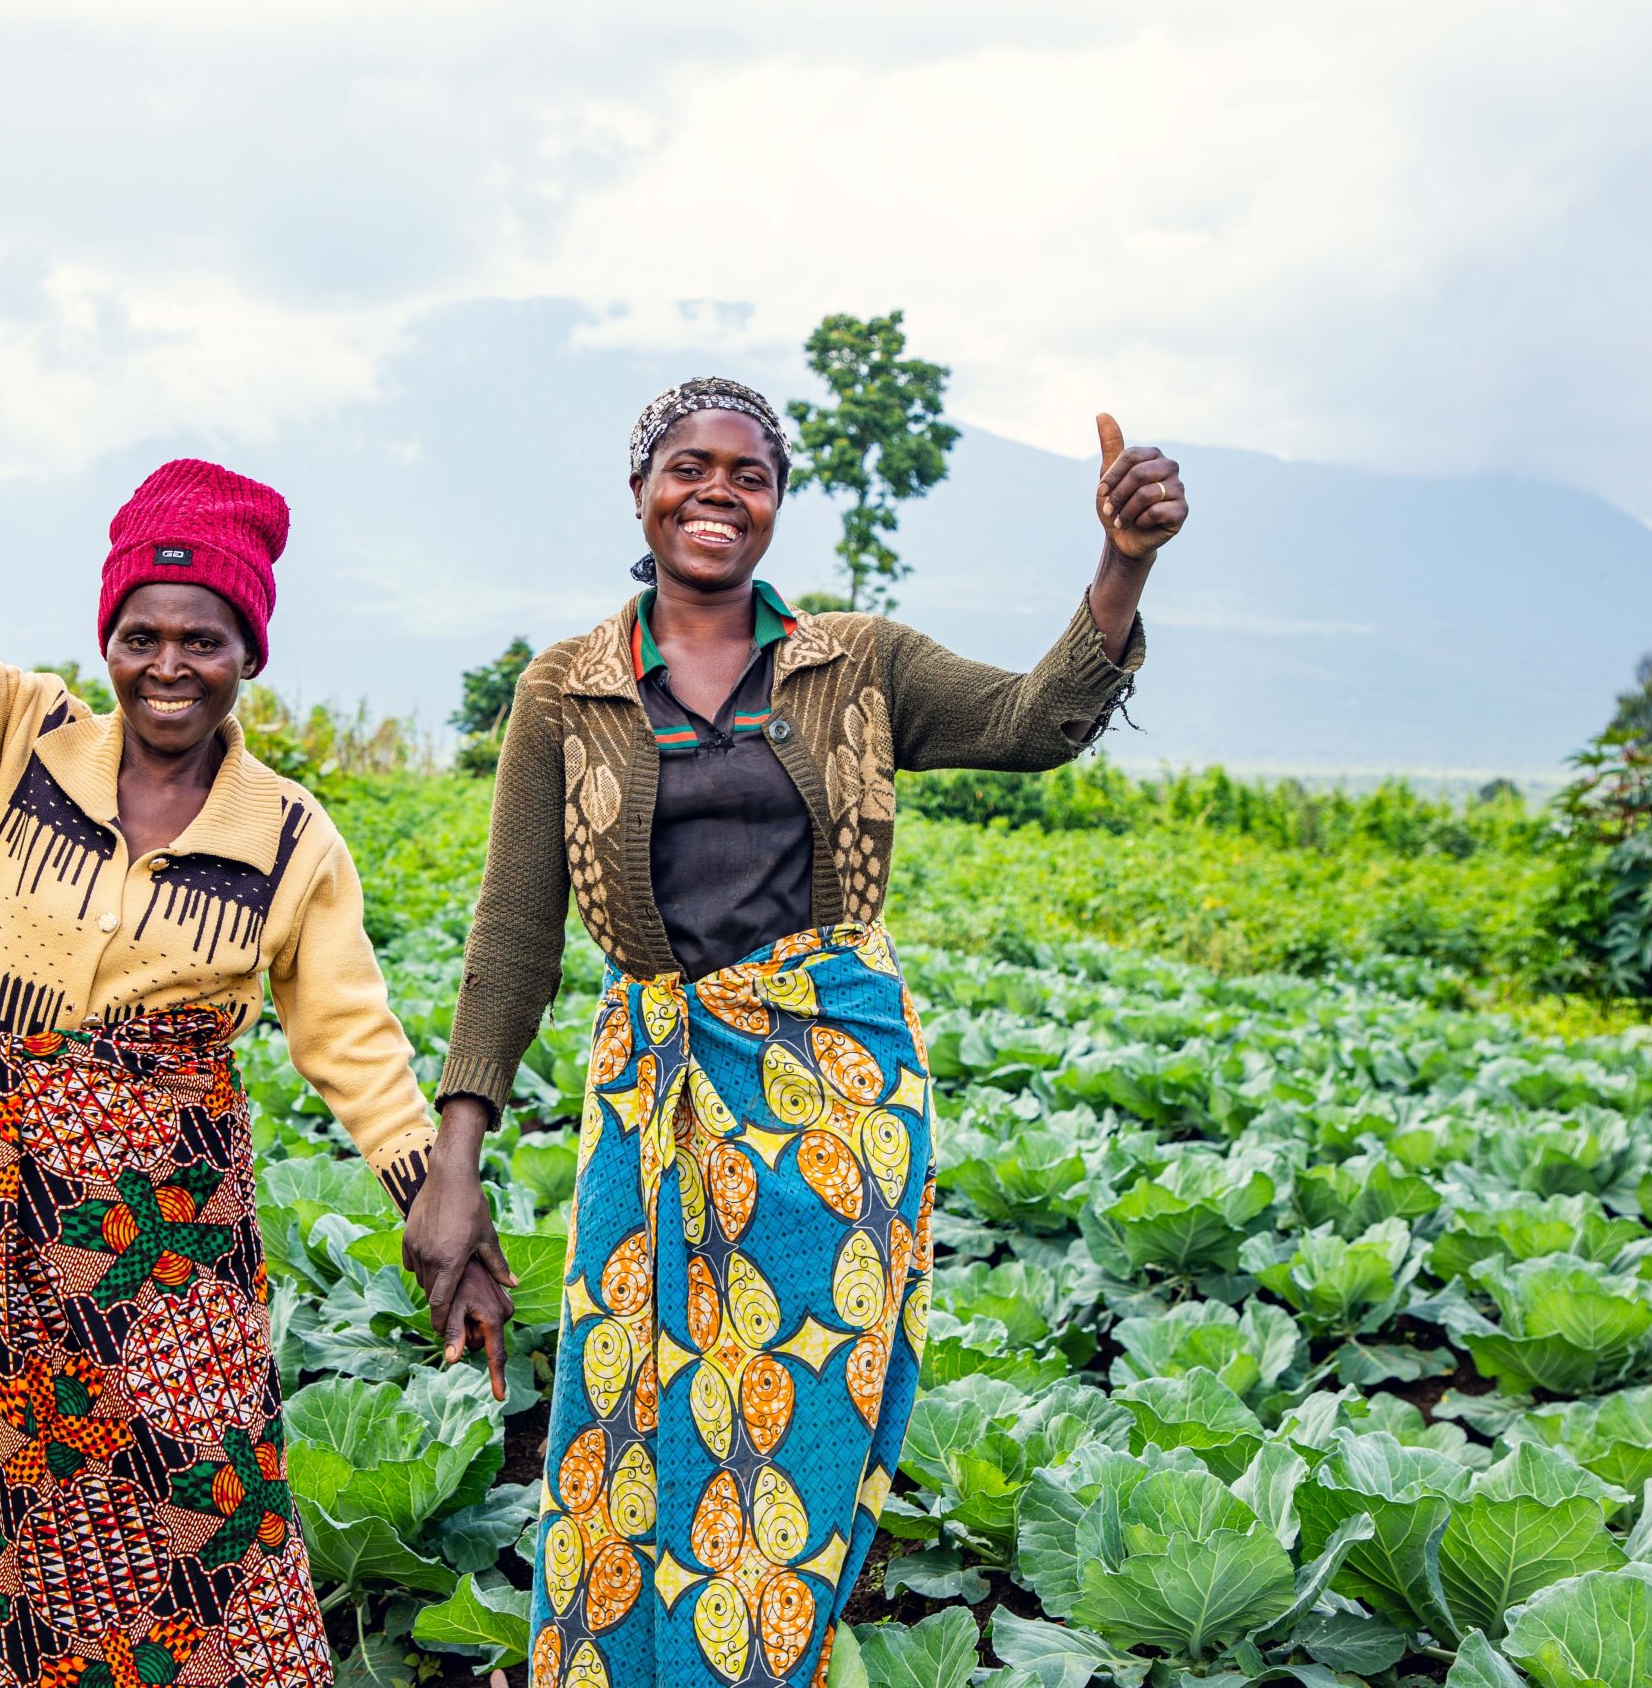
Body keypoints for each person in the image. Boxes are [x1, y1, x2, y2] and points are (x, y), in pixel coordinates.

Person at [0, 361, 514, 1688]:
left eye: (203, 638)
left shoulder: (290, 834)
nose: (169, 665)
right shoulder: (9, 738)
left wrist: (438, 1199)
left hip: (155, 1261)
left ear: (248, 653)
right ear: (110, 635)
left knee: (195, 1529)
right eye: (143, 633)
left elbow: (353, 1039)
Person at [412, 378, 1179, 1688]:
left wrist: (1121, 563)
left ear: (776, 503)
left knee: (798, 1438)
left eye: (750, 474)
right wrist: (457, 1153)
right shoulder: (568, 689)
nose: (718, 491)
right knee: (632, 1425)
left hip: (833, 1116)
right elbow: (515, 937)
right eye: (688, 466)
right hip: (655, 1105)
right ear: (640, 487)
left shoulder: (857, 663)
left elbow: (1031, 722)